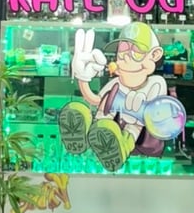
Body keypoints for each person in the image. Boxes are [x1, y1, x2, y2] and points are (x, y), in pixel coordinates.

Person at [58, 22, 186, 172]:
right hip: (110, 120)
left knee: (130, 130)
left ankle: (120, 148)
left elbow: (155, 114)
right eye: (122, 50)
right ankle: (81, 134)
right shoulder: (116, 83)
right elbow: (95, 100)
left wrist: (139, 108)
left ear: (154, 55)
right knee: (99, 122)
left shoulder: (155, 83)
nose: (126, 57)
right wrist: (83, 77)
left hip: (135, 126)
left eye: (136, 51)